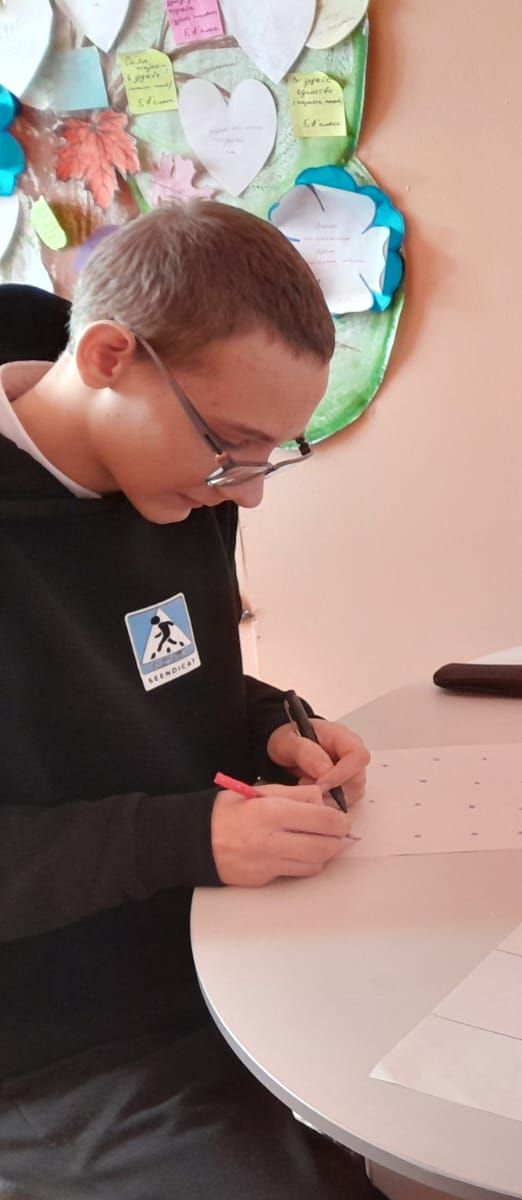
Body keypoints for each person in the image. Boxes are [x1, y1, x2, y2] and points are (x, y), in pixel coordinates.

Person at [0, 202, 381, 1198]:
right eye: (232, 447)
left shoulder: (174, 485)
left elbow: (157, 673)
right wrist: (187, 839)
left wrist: (273, 726)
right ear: (109, 358)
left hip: (210, 945)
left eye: (272, 454)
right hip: (49, 1042)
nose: (247, 493)